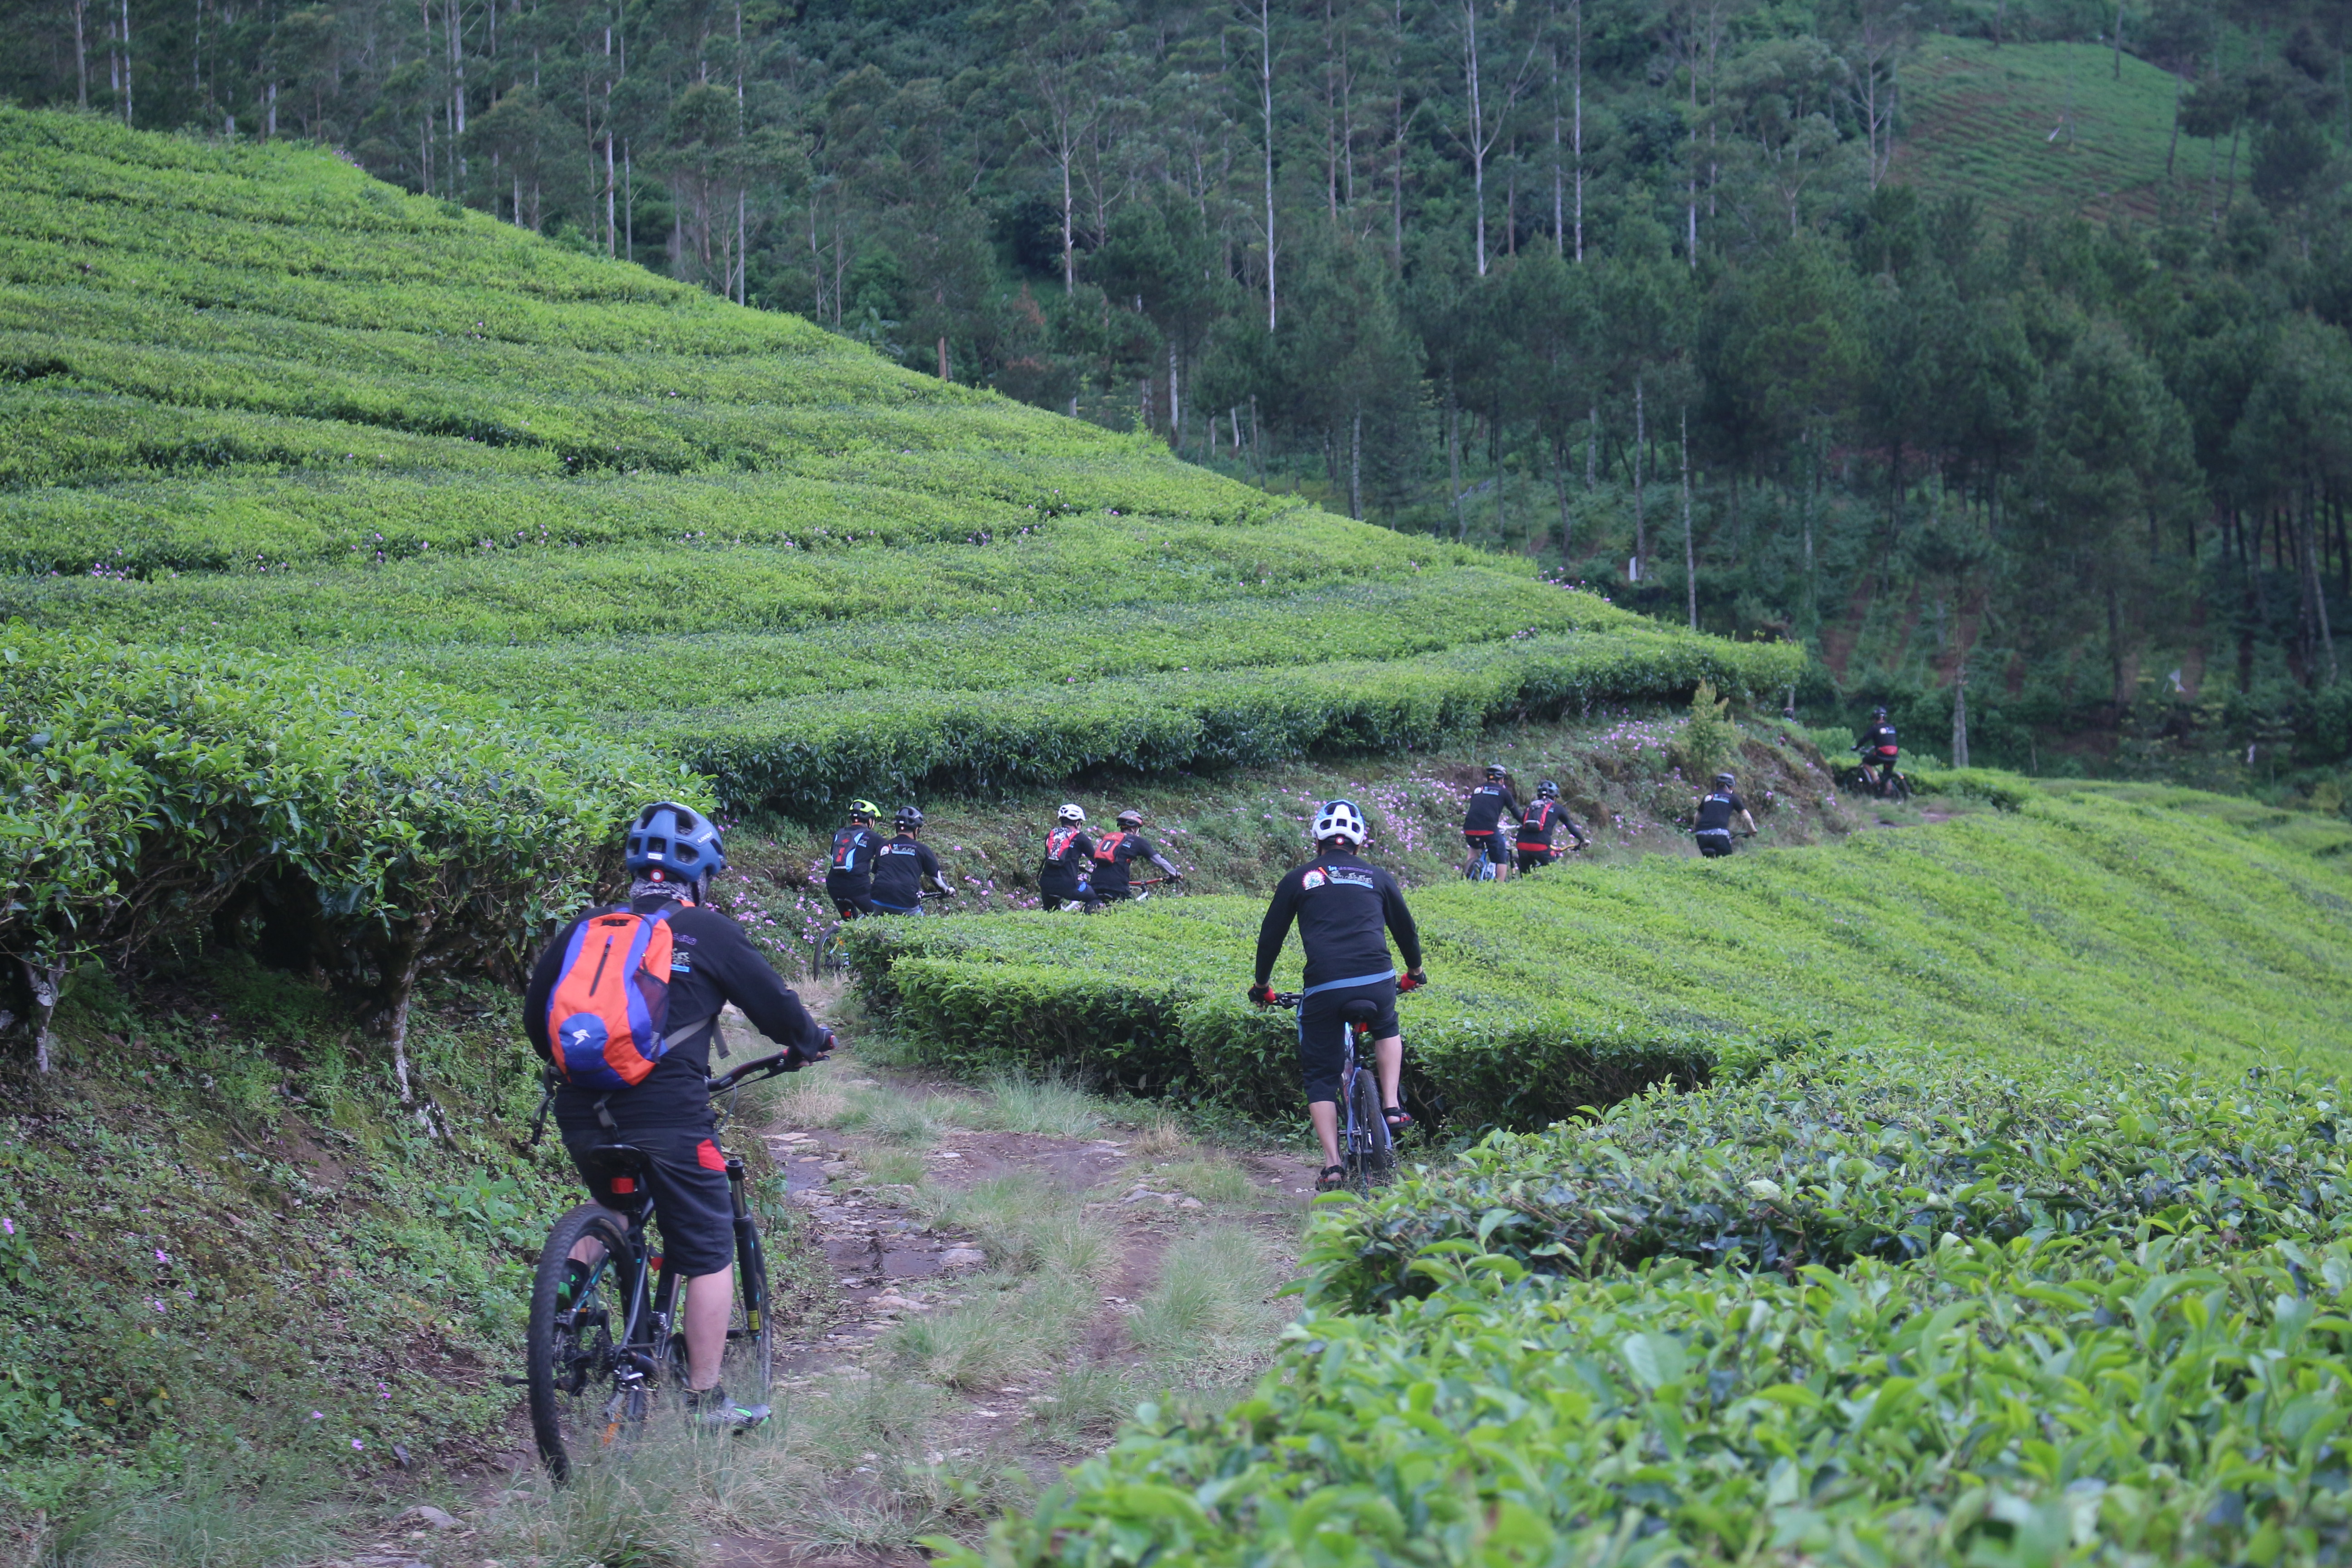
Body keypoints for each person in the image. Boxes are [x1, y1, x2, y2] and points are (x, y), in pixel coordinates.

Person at [524, 801, 835, 1428]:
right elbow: (776, 1007)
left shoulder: (587, 929)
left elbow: (539, 1019)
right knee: (708, 1247)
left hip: (583, 1110)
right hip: (669, 1116)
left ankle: (559, 1316)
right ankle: (704, 1398)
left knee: (613, 1209)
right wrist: (809, 1040)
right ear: (702, 873)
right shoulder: (708, 931)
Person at [1248, 799, 1426, 1193]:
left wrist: (1262, 986)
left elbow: (1270, 939)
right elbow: (1406, 931)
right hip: (1377, 979)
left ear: (1317, 839)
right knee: (1386, 1024)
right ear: (1360, 842)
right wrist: (1414, 973)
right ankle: (1392, 1106)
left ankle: (1332, 1166)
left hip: (1326, 987)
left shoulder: (1299, 878)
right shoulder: (1378, 877)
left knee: (1319, 1076)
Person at [1090, 808, 1184, 902]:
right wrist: (1175, 874)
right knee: (1130, 909)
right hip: (1117, 885)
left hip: (1095, 882)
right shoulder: (1138, 842)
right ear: (1135, 828)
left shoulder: (1109, 838)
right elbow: (1159, 861)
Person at [870, 806, 951, 915]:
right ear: (916, 829)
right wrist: (946, 891)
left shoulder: (884, 846)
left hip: (878, 899)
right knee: (919, 928)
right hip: (905, 902)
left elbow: (876, 872)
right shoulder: (922, 849)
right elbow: (937, 878)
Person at [824, 799, 886, 918]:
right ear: (870, 820)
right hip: (857, 887)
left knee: (849, 921)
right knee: (879, 917)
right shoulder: (873, 837)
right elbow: (889, 857)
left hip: (833, 885)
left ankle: (841, 933)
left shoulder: (839, 833)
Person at [1460, 763, 1521, 881]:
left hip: (1469, 828)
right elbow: (1517, 814)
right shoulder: (1504, 792)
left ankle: (1469, 872)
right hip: (1488, 829)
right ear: (1501, 779)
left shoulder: (1478, 789)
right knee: (1501, 857)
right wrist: (1525, 823)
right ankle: (1499, 887)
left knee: (1474, 847)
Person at [1515, 781, 1589, 871]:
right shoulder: (1558, 808)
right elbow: (1570, 826)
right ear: (1554, 797)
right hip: (1540, 846)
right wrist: (1582, 840)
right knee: (1554, 871)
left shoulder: (1530, 807)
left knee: (1526, 875)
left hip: (1522, 844)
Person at [1037, 803, 1099, 911]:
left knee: (1052, 915)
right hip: (1068, 886)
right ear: (1077, 823)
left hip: (1046, 884)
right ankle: (1087, 923)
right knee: (1095, 896)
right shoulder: (1080, 838)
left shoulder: (1051, 835)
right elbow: (1095, 860)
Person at [1694, 772, 1758, 858]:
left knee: (1708, 860)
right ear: (1730, 787)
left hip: (1701, 835)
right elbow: (1746, 815)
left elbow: (1697, 816)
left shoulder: (1709, 796)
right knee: (1727, 861)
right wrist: (1752, 829)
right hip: (1720, 835)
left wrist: (1696, 829)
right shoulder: (1732, 797)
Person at [1854, 707, 1900, 793]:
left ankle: (1875, 779)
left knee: (1866, 761)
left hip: (1882, 754)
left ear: (1875, 719)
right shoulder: (1892, 727)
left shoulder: (1875, 728)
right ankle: (1887, 795)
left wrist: (1856, 747)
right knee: (1887, 775)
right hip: (1894, 755)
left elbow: (1865, 739)